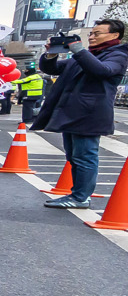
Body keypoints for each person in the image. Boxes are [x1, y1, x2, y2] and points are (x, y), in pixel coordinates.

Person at [35, 19, 128, 208]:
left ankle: (81, 197)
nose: (92, 37)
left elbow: (102, 71)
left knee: (85, 155)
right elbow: (53, 69)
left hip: (90, 113)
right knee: (74, 156)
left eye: (97, 34)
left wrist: (79, 50)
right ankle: (77, 194)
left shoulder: (118, 55)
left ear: (114, 35)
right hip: (73, 112)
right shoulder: (88, 55)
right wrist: (51, 54)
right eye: (91, 34)